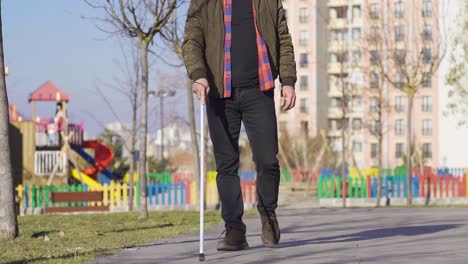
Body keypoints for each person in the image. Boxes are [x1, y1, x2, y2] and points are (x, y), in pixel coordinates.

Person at [183, 0, 297, 251]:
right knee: (226, 164)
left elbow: (283, 38)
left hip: (260, 89)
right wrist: (198, 74)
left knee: (268, 159)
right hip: (219, 93)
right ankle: (234, 229)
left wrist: (288, 80)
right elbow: (192, 39)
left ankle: (268, 214)